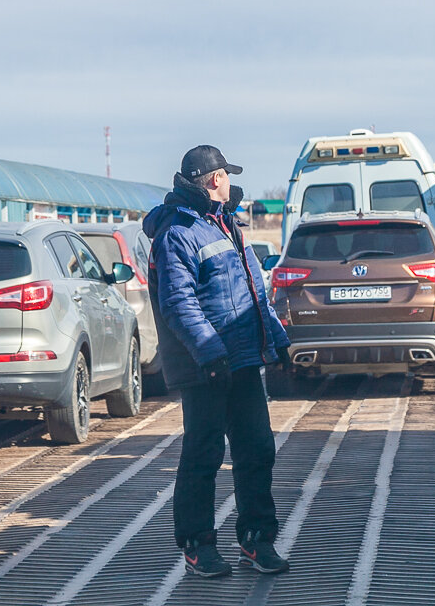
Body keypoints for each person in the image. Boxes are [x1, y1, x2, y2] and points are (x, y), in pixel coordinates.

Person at [142, 144, 293, 578]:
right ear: (213, 179)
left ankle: (257, 540)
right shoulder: (177, 233)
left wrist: (277, 340)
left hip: (241, 360)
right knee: (203, 455)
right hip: (204, 365)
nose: (229, 181)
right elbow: (178, 302)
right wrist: (210, 353)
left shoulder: (227, 225)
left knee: (257, 449)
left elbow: (252, 293)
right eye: (225, 174)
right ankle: (197, 545)